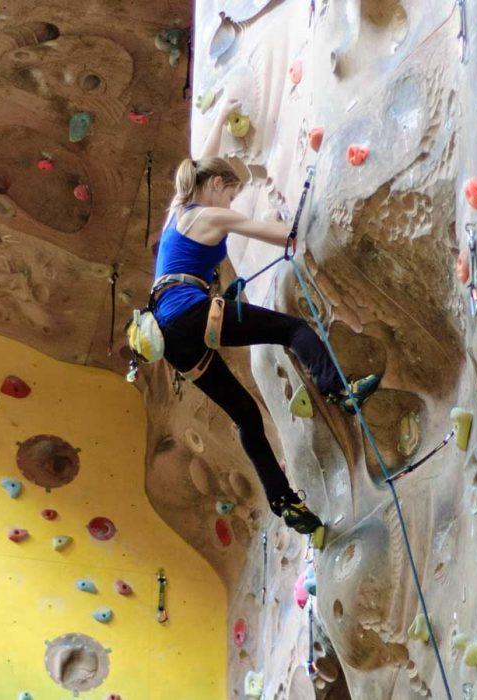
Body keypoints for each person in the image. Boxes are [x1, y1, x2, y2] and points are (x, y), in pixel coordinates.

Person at [150, 99, 380, 536]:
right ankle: (340, 391)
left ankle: (284, 502)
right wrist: (298, 209)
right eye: (230, 191)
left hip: (171, 336)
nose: (232, 199)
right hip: (193, 313)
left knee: (245, 416)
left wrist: (219, 119)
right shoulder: (213, 213)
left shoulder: (176, 211)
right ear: (217, 186)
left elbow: (200, 159)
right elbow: (280, 237)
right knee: (292, 328)